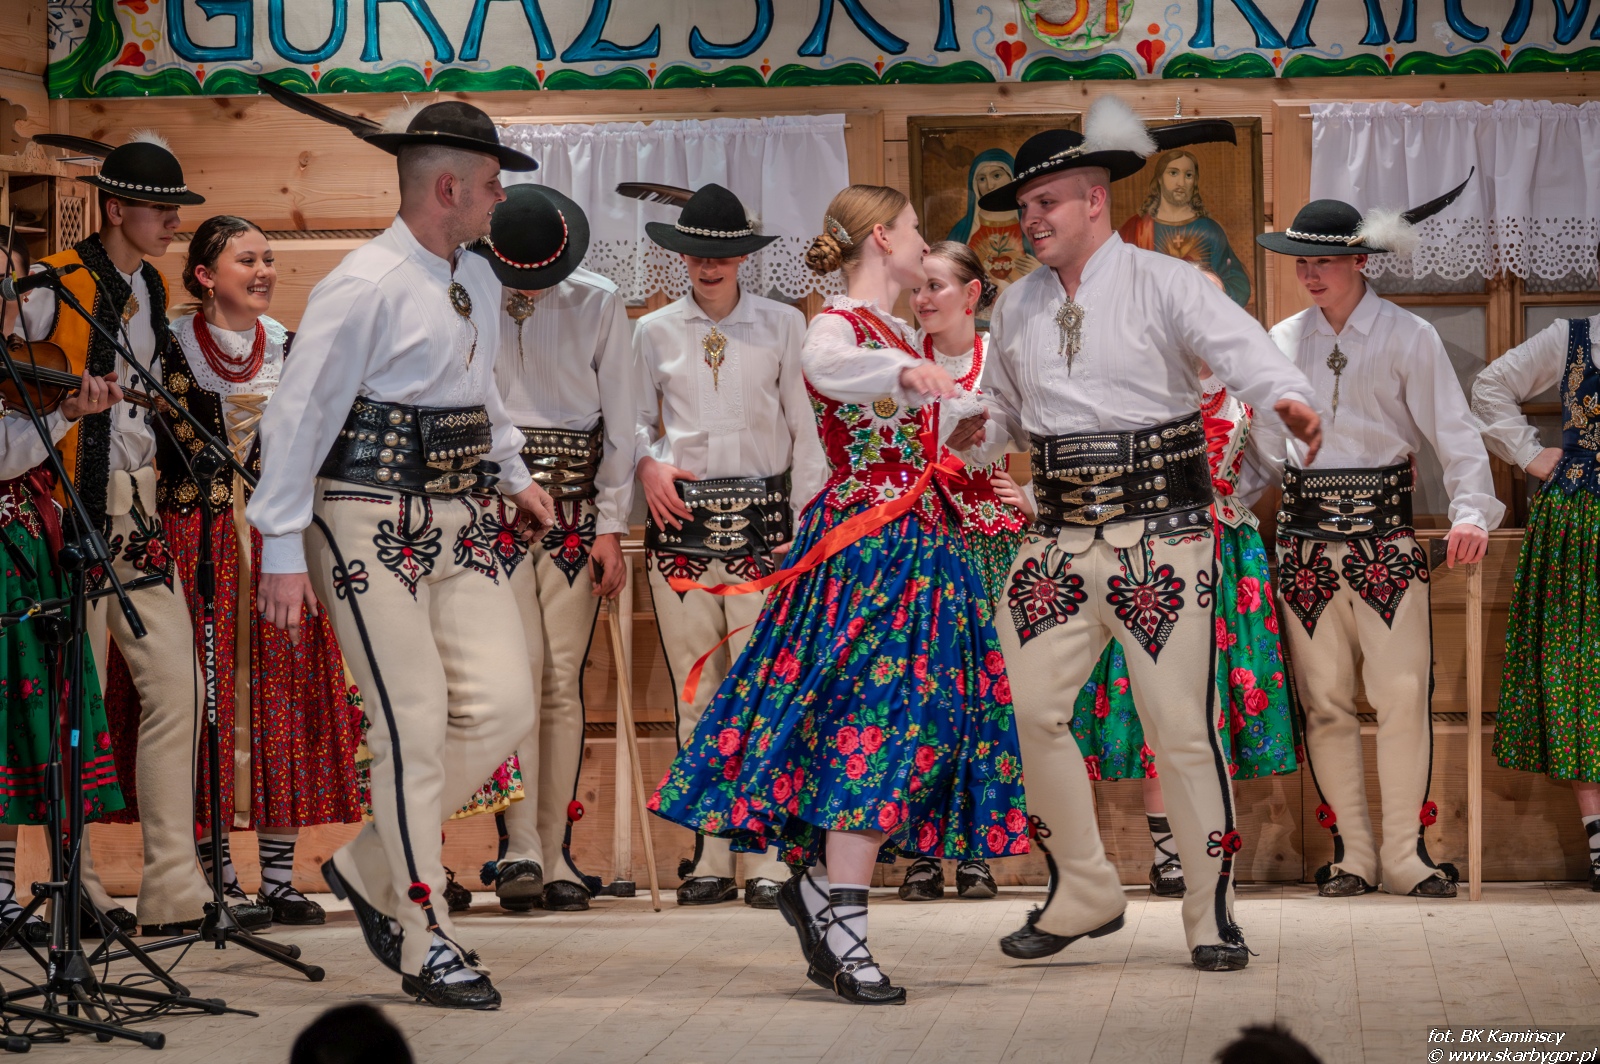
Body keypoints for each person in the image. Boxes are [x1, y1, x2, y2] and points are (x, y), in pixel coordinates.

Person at [651, 184, 1032, 1005]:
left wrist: (966, 423)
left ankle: (821, 890)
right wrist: (906, 372)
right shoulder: (837, 325)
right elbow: (828, 370)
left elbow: (923, 427)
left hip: (923, 546)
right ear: (883, 238)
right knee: (870, 725)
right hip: (866, 550)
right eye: (916, 229)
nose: (924, 243)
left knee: (923, 724)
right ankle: (847, 932)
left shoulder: (899, 331)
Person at [976, 97, 1322, 972]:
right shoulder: (1014, 306)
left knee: (1179, 728)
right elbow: (1001, 413)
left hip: (1160, 541)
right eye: (1024, 207)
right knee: (1021, 706)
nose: (1031, 218)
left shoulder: (1167, 282)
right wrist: (970, 426)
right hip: (1055, 540)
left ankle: (1210, 914)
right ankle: (1084, 889)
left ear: (1094, 199)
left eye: (1046, 202)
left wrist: (1287, 398)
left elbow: (1242, 350)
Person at [250, 94, 554, 1009]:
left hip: (461, 515)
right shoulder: (364, 283)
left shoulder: (477, 279)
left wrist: (515, 473)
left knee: (505, 706)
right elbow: (298, 416)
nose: (502, 199)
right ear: (448, 188)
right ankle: (425, 933)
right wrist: (279, 547)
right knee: (410, 725)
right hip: (361, 515)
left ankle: (370, 861)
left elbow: (480, 391)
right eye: (493, 184)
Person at [12, 134, 262, 937]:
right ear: (117, 209)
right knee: (74, 704)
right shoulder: (54, 284)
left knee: (181, 689)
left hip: (140, 515)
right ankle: (76, 887)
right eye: (160, 210)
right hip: (72, 515)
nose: (173, 223)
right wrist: (62, 405)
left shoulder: (149, 287)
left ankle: (174, 889)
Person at [1258, 184, 1497, 900]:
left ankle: (1404, 855)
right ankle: (1353, 856)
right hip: (1302, 545)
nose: (1309, 274)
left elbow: (1454, 432)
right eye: (1301, 261)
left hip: (1385, 542)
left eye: (1323, 261)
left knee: (1401, 695)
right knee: (1325, 701)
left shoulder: (1407, 335)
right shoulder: (1279, 341)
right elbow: (1261, 453)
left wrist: (1471, 512)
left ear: (1360, 261)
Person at [1055, 267, 1298, 900]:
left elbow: (1269, 466)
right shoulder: (1135, 385)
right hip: (1148, 556)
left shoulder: (1244, 392)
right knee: (1159, 700)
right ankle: (1169, 853)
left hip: (1224, 557)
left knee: (1212, 700)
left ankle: (1209, 846)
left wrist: (1225, 507)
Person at [146, 215, 361, 926]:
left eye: (268, 258)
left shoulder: (292, 347)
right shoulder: (166, 347)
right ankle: (212, 876)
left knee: (283, 694)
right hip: (195, 539)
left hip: (278, 546)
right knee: (204, 697)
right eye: (247, 260)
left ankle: (276, 875)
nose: (264, 271)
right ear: (205, 276)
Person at [630, 183, 825, 909]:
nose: (708, 266)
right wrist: (648, 462)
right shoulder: (653, 331)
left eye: (722, 254)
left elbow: (807, 431)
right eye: (695, 253)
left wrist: (802, 526)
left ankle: (766, 855)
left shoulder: (782, 324)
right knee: (697, 692)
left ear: (744, 256)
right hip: (681, 526)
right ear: (679, 256)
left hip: (765, 531)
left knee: (763, 690)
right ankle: (710, 852)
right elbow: (632, 422)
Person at [472, 182, 635, 913]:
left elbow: (624, 424)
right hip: (491, 506)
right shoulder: (470, 290)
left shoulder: (599, 300)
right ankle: (519, 848)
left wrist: (612, 525)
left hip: (574, 508)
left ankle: (554, 846)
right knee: (514, 674)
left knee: (561, 677)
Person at [0, 226, 128, 948]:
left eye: (8, 286)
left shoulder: (17, 359)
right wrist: (61, 416)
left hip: (28, 554)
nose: (4, 301)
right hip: (6, 551)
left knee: (31, 726)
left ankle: (33, 891)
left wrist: (64, 411)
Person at [895, 239, 1021, 903]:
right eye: (918, 286)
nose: (922, 298)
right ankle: (919, 851)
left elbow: (1035, 428)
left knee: (984, 698)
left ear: (971, 294)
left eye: (936, 286)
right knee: (923, 695)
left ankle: (976, 851)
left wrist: (1030, 495)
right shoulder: (898, 357)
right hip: (920, 540)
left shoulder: (998, 355)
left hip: (990, 542)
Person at [1471, 311, 1600, 892]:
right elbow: (1490, 386)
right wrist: (1528, 453)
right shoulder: (1577, 337)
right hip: (1581, 522)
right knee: (1579, 674)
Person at [1117, 149, 1251, 307]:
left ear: (1195, 181)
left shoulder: (1209, 230)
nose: (1181, 182)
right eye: (1173, 173)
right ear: (1159, 178)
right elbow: (1116, 277)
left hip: (1199, 317)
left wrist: (1217, 287)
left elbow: (1238, 284)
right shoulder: (1136, 228)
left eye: (1188, 175)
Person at [945, 149, 1039, 306]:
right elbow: (946, 274)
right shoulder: (963, 230)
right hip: (977, 312)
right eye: (982, 179)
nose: (990, 185)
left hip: (1025, 309)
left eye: (996, 175)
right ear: (974, 184)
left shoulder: (1032, 224)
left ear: (1012, 178)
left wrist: (1040, 271)